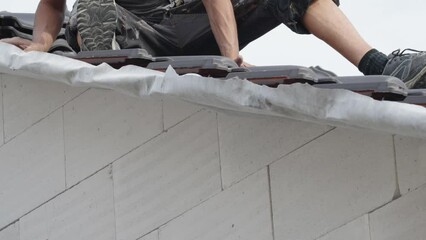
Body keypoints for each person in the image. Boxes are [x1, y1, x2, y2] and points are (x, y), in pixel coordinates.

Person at [1, 0, 425, 88]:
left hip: (186, 23)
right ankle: (109, 84)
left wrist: (229, 55)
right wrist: (42, 41)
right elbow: (52, 4)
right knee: (92, 7)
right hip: (129, 34)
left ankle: (381, 63)